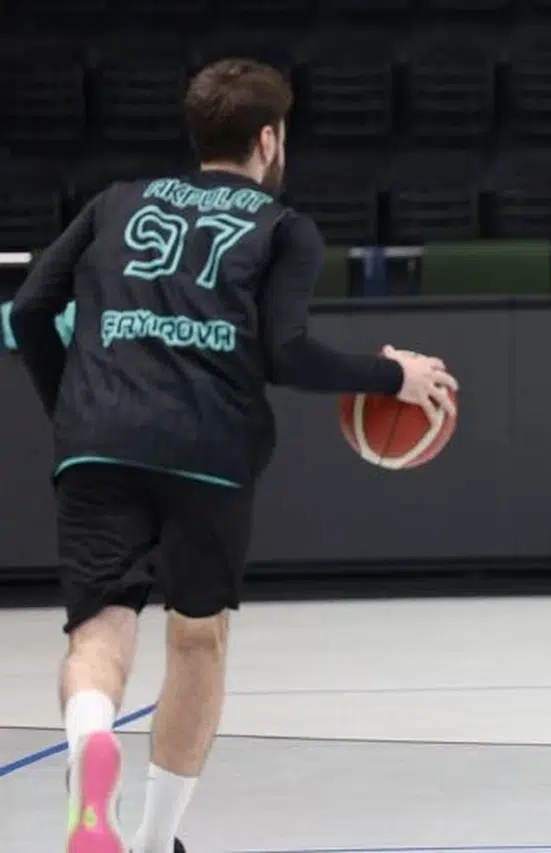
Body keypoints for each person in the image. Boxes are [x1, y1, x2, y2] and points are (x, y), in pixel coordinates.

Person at [8, 58, 458, 853]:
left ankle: (92, 745)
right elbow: (286, 352)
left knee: (99, 631)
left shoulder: (116, 202)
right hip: (208, 447)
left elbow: (30, 308)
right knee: (197, 637)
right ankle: (155, 841)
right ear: (270, 139)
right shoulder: (283, 228)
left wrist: (71, 411)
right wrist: (393, 375)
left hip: (99, 436)